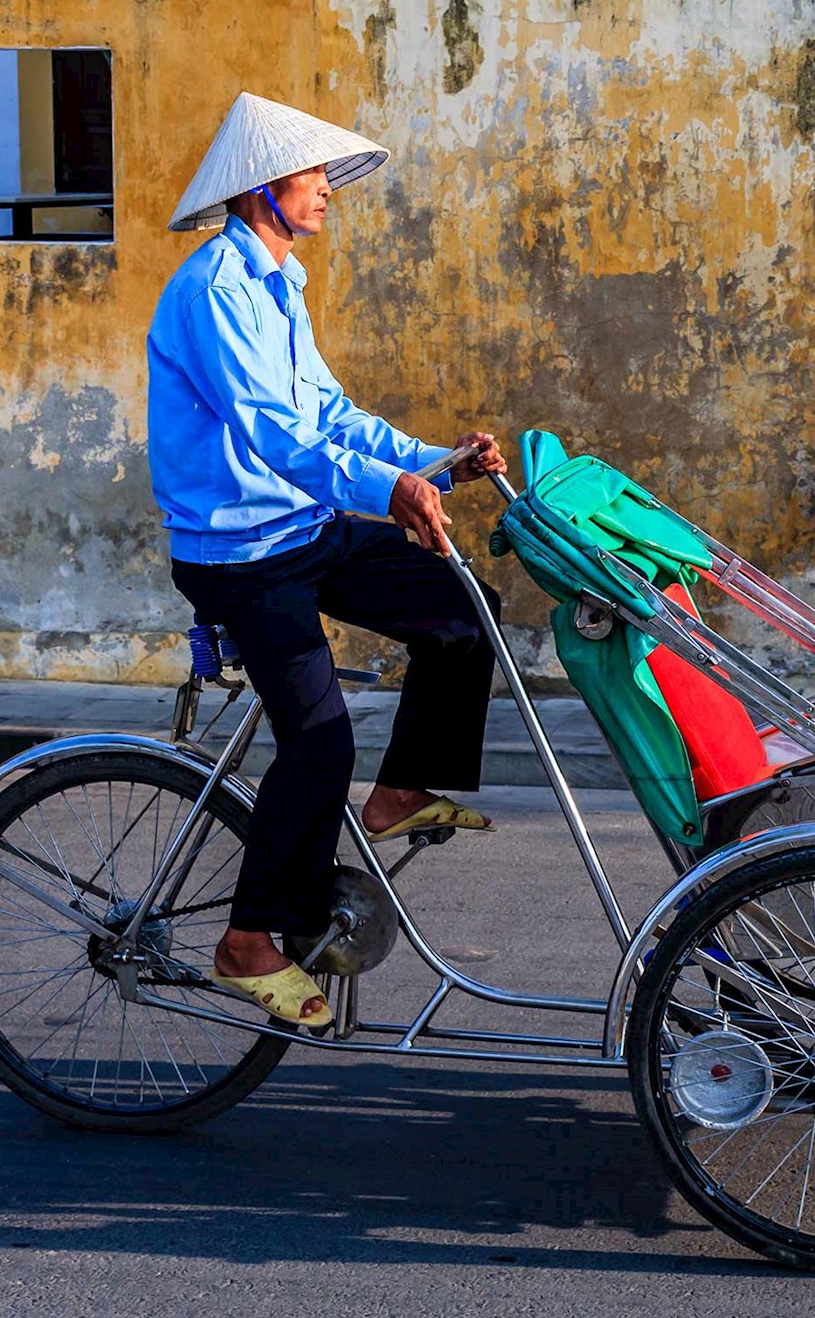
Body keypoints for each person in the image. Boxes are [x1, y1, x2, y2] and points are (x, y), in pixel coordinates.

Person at [148, 93, 508, 1032]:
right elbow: (271, 432)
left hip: (303, 525)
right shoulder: (217, 291)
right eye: (314, 179)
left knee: (464, 610)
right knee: (318, 738)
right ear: (268, 188)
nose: (326, 195)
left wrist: (432, 464)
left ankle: (398, 795)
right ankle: (248, 941)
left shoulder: (281, 282)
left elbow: (330, 418)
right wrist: (386, 492)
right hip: (239, 549)